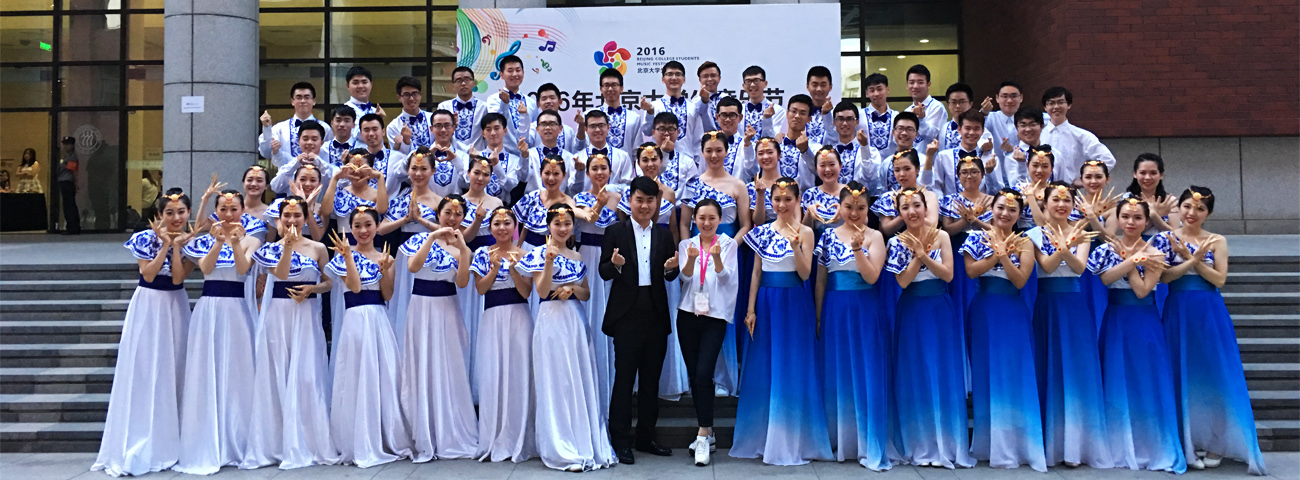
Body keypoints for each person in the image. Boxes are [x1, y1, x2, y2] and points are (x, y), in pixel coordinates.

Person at [1159, 187, 1267, 474]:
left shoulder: (1217, 240)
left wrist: (1194, 259)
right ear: (1179, 208)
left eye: (1200, 209)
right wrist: (1190, 259)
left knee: (1214, 373)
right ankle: (1186, 439)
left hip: (1208, 311)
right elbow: (1164, 277)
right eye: (1187, 206)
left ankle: (1217, 442)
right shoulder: (1166, 238)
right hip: (1178, 309)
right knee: (1180, 371)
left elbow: (1219, 279)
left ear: (1208, 213)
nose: (1192, 213)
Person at [92, 189, 195, 476]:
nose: (176, 218)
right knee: (145, 368)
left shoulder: (193, 243)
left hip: (176, 305)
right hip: (148, 305)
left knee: (175, 367)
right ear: (159, 215)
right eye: (169, 213)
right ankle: (140, 435)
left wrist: (177, 247)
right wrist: (164, 245)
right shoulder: (144, 238)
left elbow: (178, 277)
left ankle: (173, 439)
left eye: (181, 212)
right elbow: (148, 274)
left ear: (188, 213)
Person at [732, 177, 831, 466]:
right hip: (766, 301)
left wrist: (796, 247)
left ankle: (793, 437)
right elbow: (756, 273)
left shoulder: (805, 232)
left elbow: (805, 274)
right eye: (777, 199)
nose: (782, 204)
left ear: (797, 201)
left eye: (788, 199)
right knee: (764, 365)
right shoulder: (762, 232)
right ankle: (763, 435)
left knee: (793, 365)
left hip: (794, 302)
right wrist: (750, 309)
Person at [1088, 198, 1186, 473]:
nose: (1131, 222)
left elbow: (1143, 290)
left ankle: (1150, 444)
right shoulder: (1106, 248)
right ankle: (1117, 444)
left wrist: (1128, 262)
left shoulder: (1156, 252)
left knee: (1146, 379)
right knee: (1115, 377)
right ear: (1118, 219)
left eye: (1137, 218)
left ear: (1146, 221)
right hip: (1115, 319)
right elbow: (1106, 279)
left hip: (1145, 321)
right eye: (1126, 217)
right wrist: (1131, 259)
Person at [242, 197, 338, 469]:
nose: (292, 221)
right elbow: (282, 274)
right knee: (277, 372)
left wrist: (312, 289)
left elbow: (329, 282)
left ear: (306, 218)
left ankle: (308, 438)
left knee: (306, 374)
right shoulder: (270, 249)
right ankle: (276, 441)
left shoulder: (318, 248)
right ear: (279, 219)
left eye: (297, 216)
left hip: (306, 315)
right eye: (287, 216)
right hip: (278, 315)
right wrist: (286, 246)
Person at [519, 204, 616, 472]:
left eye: (567, 224)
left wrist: (572, 288)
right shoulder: (538, 254)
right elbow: (540, 290)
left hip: (575, 319)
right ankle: (560, 445)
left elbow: (586, 293)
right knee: (556, 380)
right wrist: (549, 261)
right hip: (551, 320)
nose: (562, 229)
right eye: (557, 224)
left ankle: (581, 438)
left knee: (577, 378)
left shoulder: (576, 255)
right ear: (549, 226)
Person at [175, 190, 262, 474]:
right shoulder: (204, 240)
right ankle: (204, 437)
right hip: (209, 308)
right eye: (223, 209)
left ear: (242, 211)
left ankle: (238, 438)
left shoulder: (252, 240)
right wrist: (217, 242)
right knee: (206, 369)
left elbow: (243, 269)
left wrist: (234, 242)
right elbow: (206, 267)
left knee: (237, 371)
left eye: (234, 209)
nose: (228, 214)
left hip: (237, 309)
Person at [960, 189, 1046, 471]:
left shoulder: (1025, 241)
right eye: (1000, 208)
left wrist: (1005, 256)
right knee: (986, 373)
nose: (1005, 213)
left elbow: (1021, 280)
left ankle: (1018, 442)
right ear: (992, 210)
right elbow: (971, 271)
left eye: (1011, 210)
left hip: (1012, 311)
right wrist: (996, 253)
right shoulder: (976, 237)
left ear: (1019, 214)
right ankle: (988, 442)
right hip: (983, 310)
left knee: (1014, 372)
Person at [886, 187, 972, 469]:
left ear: (925, 208)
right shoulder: (896, 241)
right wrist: (918, 256)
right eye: (905, 207)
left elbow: (948, 274)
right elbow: (902, 281)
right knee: (914, 371)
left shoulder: (942, 236)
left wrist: (925, 254)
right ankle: (917, 441)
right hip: (911, 309)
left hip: (939, 308)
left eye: (916, 205)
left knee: (941, 369)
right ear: (899, 213)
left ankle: (946, 441)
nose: (912, 211)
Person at [1028, 182, 1112, 469]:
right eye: (1055, 200)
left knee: (1076, 370)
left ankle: (1078, 444)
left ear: (1074, 205)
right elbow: (1047, 266)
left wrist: (1066, 247)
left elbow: (1079, 268)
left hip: (1074, 306)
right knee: (1049, 366)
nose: (1061, 205)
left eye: (1067, 201)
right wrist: (1065, 248)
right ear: (1045, 203)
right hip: (1046, 305)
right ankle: (1050, 443)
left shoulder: (1083, 233)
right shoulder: (1034, 234)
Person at [599, 177, 680, 464]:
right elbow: (603, 271)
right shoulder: (615, 231)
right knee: (624, 379)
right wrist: (615, 265)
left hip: (655, 313)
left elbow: (671, 273)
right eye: (639, 200)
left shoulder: (663, 234)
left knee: (650, 380)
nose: (644, 206)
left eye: (650, 200)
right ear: (630, 201)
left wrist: (671, 269)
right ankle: (620, 440)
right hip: (626, 314)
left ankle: (647, 436)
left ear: (656, 203)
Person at [324, 207, 411, 467]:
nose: (363, 230)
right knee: (355, 373)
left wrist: (384, 271)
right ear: (350, 228)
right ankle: (355, 437)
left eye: (368, 225)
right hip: (354, 319)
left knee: (381, 373)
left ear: (376, 227)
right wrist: (348, 257)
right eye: (357, 226)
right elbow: (354, 286)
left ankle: (383, 433)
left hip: (378, 318)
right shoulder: (341, 256)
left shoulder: (387, 256)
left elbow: (387, 294)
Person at [813, 182, 890, 470]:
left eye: (860, 208)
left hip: (864, 308)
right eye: (848, 207)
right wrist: (819, 315)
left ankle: (867, 441)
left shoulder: (875, 236)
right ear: (840, 207)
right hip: (835, 308)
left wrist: (858, 249)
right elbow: (821, 280)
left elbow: (872, 277)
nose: (854, 213)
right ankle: (840, 438)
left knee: (865, 369)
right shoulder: (828, 236)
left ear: (868, 208)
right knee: (838, 369)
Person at [396, 196, 478, 462]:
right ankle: (422, 427)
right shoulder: (420, 240)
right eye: (447, 213)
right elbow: (413, 266)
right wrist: (432, 237)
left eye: (458, 214)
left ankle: (450, 426)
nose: (452, 218)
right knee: (422, 363)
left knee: (449, 363)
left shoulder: (463, 248)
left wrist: (463, 249)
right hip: (421, 307)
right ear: (438, 213)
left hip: (448, 307)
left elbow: (463, 282)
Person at [681, 132, 751, 397]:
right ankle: (699, 376)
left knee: (722, 311)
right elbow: (684, 223)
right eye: (708, 150)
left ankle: (724, 378)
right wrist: (691, 251)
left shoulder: (738, 185)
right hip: (696, 257)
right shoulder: (692, 184)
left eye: (718, 150)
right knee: (697, 312)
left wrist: (728, 246)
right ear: (701, 152)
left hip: (726, 255)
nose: (713, 155)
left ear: (726, 152)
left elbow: (746, 224)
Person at [675, 198, 739, 466]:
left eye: (712, 218)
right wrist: (691, 260)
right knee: (696, 376)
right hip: (688, 313)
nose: (706, 223)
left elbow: (727, 279)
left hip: (714, 316)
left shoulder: (728, 244)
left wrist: (716, 258)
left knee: (704, 372)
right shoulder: (686, 245)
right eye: (701, 218)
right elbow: (685, 278)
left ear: (720, 220)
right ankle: (708, 431)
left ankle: (703, 434)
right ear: (694, 220)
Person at [470, 208, 537, 462]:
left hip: (519, 317)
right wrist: (494, 269)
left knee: (518, 372)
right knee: (494, 372)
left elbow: (526, 292)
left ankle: (519, 435)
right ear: (490, 227)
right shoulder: (482, 254)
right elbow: (480, 289)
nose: (502, 228)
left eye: (507, 223)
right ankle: (494, 434)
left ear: (514, 227)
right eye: (497, 223)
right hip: (492, 317)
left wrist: (514, 269)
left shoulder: (524, 254)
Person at [626, 143, 691, 402]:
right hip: (639, 262)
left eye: (654, 159)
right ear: (638, 162)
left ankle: (669, 380)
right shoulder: (631, 191)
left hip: (663, 258)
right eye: (645, 159)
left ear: (661, 162)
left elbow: (673, 230)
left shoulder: (670, 192)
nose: (650, 163)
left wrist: (676, 261)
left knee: (665, 316)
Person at [572, 154, 624, 416]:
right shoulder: (579, 198)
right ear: (588, 172)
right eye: (595, 168)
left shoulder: (620, 197)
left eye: (604, 168)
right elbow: (589, 220)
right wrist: (600, 204)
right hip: (587, 257)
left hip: (611, 257)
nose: (600, 172)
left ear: (611, 171)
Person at [1040, 86, 1116, 185]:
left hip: (1070, 190)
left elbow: (1108, 159)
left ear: (1069, 105)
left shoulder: (1082, 136)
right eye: (1051, 103)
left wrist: (1084, 179)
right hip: (1040, 190)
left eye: (1061, 102)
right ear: (1045, 107)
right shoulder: (1038, 134)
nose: (1056, 106)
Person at [321, 149, 387, 245]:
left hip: (371, 246)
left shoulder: (376, 193)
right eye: (353, 167)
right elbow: (325, 211)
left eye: (362, 167)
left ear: (371, 169)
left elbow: (382, 209)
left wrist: (380, 177)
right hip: (344, 247)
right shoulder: (339, 192)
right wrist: (335, 178)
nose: (357, 171)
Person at [642, 61, 704, 158]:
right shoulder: (654, 106)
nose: (674, 78)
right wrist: (650, 113)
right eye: (669, 74)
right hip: (660, 161)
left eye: (678, 74)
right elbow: (647, 131)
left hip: (687, 162)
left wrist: (697, 162)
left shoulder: (693, 108)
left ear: (684, 79)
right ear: (663, 79)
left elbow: (698, 140)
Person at [259, 82, 328, 169]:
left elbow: (328, 156)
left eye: (307, 97)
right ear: (292, 101)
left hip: (317, 175)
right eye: (299, 97)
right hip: (287, 176)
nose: (303, 101)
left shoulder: (325, 128)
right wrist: (267, 128)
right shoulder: (280, 128)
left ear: (314, 101)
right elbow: (265, 153)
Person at [928, 109, 996, 196]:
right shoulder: (943, 157)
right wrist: (946, 203)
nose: (971, 133)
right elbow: (936, 186)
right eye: (967, 128)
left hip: (982, 204)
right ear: (959, 129)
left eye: (976, 129)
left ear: (982, 131)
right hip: (950, 204)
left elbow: (996, 192)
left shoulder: (991, 159)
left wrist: (990, 173)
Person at [872, 149, 939, 236]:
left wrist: (911, 213)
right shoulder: (888, 198)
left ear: (917, 169)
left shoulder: (929, 196)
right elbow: (886, 230)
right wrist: (902, 215)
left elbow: (933, 225)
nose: (902, 174)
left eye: (907, 169)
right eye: (897, 170)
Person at [571, 110, 635, 193]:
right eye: (593, 126)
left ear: (608, 127)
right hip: (586, 201)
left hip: (615, 200)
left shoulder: (623, 156)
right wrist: (580, 173)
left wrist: (607, 189)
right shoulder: (577, 158)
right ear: (586, 129)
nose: (597, 130)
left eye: (601, 125)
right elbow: (573, 191)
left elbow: (628, 187)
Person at [484, 55, 536, 156]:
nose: (515, 74)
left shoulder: (531, 102)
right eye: (510, 71)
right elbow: (496, 124)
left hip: (527, 155)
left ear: (523, 73)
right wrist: (504, 104)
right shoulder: (493, 99)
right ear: (502, 74)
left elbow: (535, 130)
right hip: (502, 156)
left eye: (518, 70)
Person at [821, 101, 882, 187]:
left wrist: (864, 147)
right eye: (840, 119)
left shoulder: (871, 151)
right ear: (834, 122)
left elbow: (870, 176)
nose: (845, 123)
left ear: (857, 122)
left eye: (849, 119)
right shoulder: (829, 153)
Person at [269, 120, 335, 196]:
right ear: (299, 141)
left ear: (322, 143)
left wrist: (318, 161)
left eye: (314, 139)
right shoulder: (291, 164)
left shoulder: (328, 164)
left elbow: (333, 184)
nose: (309, 142)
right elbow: (275, 187)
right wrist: (296, 163)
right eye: (305, 139)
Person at [644, 112, 698, 201]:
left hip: (680, 208)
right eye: (662, 129)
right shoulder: (644, 159)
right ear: (653, 132)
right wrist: (664, 152)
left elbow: (692, 193)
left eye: (671, 129)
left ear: (678, 133)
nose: (666, 133)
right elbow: (646, 182)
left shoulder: (688, 162)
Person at [470, 113, 523, 203]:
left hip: (503, 206)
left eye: (496, 128)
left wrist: (496, 165)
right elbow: (467, 182)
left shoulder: (514, 160)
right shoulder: (476, 157)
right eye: (488, 129)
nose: (493, 133)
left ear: (505, 131)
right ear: (483, 133)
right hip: (477, 204)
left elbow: (511, 186)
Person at [983, 80, 1026, 191]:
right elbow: (975, 125)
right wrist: (983, 112)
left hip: (1021, 177)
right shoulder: (990, 118)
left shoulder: (1028, 120)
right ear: (997, 98)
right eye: (1004, 96)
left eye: (1014, 96)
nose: (1009, 100)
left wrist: (1012, 151)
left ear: (1021, 98)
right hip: (995, 178)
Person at [593, 68, 646, 158]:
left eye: (614, 85)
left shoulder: (634, 117)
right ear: (601, 89)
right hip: (598, 165)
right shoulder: (590, 116)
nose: (610, 89)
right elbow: (583, 147)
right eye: (606, 85)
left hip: (627, 166)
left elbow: (637, 151)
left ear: (621, 88)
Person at [523, 109, 578, 195]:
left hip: (561, 201)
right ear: (537, 129)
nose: (548, 128)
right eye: (543, 124)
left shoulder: (569, 157)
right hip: (534, 200)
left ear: (560, 129)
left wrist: (580, 172)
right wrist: (524, 158)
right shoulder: (529, 154)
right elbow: (522, 177)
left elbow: (574, 189)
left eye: (552, 124)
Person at [265, 164, 326, 241]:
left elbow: (318, 238)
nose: (307, 184)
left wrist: (306, 207)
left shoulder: (322, 208)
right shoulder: (280, 203)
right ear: (294, 181)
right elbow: (282, 233)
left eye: (313, 180)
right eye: (302, 179)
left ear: (319, 184)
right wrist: (301, 203)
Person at [355, 113, 408, 199]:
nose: (371, 133)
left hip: (391, 205)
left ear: (383, 132)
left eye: (375, 129)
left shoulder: (398, 157)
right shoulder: (356, 159)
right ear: (361, 134)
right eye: (366, 130)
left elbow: (411, 181)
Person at [1125, 153, 1178, 236]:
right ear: (1135, 174)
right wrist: (1156, 214)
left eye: (1153, 173)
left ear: (1161, 175)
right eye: (1143, 173)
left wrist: (1155, 216)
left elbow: (1175, 234)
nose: (1147, 177)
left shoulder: (1169, 201)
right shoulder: (1127, 199)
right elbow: (1129, 232)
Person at [438, 66, 488, 153]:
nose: (463, 83)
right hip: (451, 155)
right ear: (453, 85)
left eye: (467, 79)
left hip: (477, 156)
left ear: (474, 83)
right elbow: (439, 133)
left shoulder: (484, 107)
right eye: (459, 80)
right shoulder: (444, 107)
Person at [775, 94, 818, 190]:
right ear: (787, 114)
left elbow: (819, 171)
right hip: (775, 196)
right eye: (794, 111)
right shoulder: (776, 144)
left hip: (804, 196)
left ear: (809, 119)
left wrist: (806, 151)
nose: (797, 116)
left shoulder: (815, 147)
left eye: (802, 113)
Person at [529, 83, 586, 156]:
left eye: (552, 98)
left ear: (560, 102)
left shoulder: (568, 131)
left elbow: (578, 150)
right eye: (544, 99)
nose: (548, 101)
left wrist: (581, 126)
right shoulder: (532, 128)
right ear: (538, 104)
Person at [802, 147, 845, 239]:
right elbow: (804, 232)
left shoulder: (851, 192)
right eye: (822, 165)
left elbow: (864, 223)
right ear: (816, 168)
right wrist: (809, 214)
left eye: (832, 164)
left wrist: (847, 211)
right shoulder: (810, 194)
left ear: (840, 166)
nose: (827, 169)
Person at [903, 64, 949, 149]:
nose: (915, 86)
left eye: (920, 82)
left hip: (930, 157)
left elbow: (932, 136)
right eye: (911, 82)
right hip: (910, 156)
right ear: (907, 85)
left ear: (928, 84)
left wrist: (921, 119)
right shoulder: (907, 111)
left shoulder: (937, 107)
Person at [386, 76, 434, 154]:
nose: (411, 98)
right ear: (399, 98)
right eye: (406, 95)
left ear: (420, 95)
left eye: (415, 94)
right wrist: (406, 142)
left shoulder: (433, 118)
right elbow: (397, 156)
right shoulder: (393, 127)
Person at [938, 83, 992, 152]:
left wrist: (984, 146)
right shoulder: (943, 128)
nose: (957, 106)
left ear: (970, 104)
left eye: (962, 102)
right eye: (953, 102)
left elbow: (986, 148)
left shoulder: (980, 129)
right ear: (948, 104)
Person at [739, 66, 785, 139]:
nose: (752, 85)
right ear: (743, 86)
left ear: (765, 83)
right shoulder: (739, 110)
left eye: (756, 80)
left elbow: (775, 139)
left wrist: (767, 119)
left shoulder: (778, 110)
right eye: (748, 81)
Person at [858, 73, 897, 160]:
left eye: (879, 89)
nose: (876, 93)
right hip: (865, 163)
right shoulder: (859, 115)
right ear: (867, 93)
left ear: (887, 89)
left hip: (891, 164)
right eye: (872, 90)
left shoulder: (896, 116)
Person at [344, 66, 383, 137]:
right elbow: (356, 135)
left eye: (364, 82)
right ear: (348, 86)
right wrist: (375, 119)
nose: (360, 86)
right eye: (355, 83)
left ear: (371, 84)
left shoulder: (375, 110)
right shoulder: (344, 111)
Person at [802, 66, 835, 144]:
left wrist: (827, 114)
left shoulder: (837, 113)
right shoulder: (800, 112)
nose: (819, 89)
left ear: (830, 87)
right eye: (815, 85)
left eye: (823, 85)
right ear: (807, 86)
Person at [57, 137, 80, 234]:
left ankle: (73, 227)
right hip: (63, 181)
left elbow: (74, 171)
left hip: (68, 182)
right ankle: (71, 226)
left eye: (67, 144)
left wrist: (76, 183)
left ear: (72, 145)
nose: (65, 146)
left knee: (70, 205)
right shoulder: (65, 156)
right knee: (67, 205)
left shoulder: (72, 156)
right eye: (64, 144)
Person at [696, 61, 724, 130]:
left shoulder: (726, 98)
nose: (709, 79)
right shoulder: (696, 101)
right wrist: (704, 100)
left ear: (719, 78)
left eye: (713, 75)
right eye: (705, 76)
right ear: (700, 80)